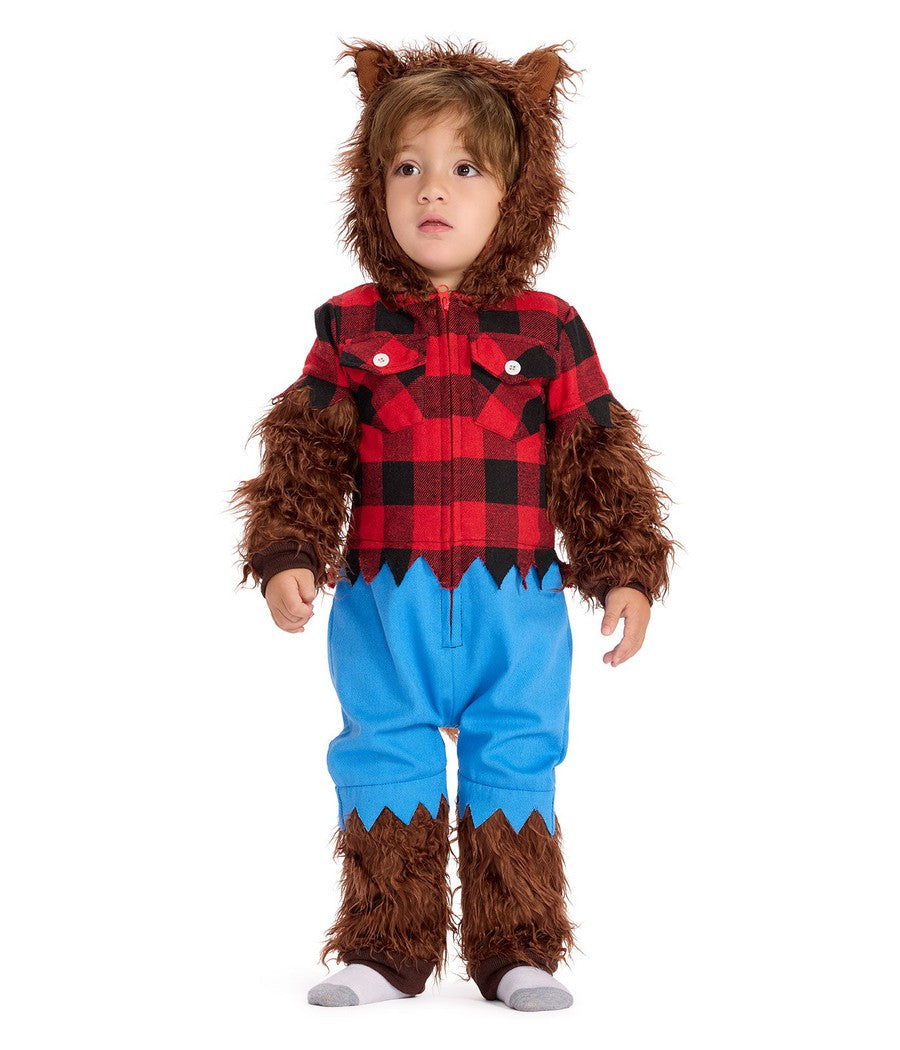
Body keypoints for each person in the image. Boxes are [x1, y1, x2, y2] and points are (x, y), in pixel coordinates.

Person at [231, 38, 677, 1011]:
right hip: (383, 608)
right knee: (382, 757)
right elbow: (306, 451)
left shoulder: (549, 328)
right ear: (373, 188)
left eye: (466, 168)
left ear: (518, 191)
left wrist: (626, 569)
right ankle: (386, 950)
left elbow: (599, 458)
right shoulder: (348, 328)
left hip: (514, 610)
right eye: (407, 167)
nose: (433, 188)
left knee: (516, 759)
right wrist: (287, 550)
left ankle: (515, 949)